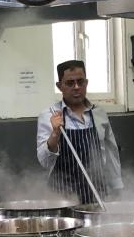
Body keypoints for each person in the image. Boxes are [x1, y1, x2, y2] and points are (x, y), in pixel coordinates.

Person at [35, 60, 124, 203]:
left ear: (86, 83)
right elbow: (45, 161)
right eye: (70, 83)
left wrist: (117, 187)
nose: (76, 87)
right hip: (61, 198)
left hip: (97, 194)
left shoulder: (99, 114)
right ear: (60, 86)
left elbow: (111, 152)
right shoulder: (49, 116)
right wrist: (55, 134)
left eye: (80, 82)